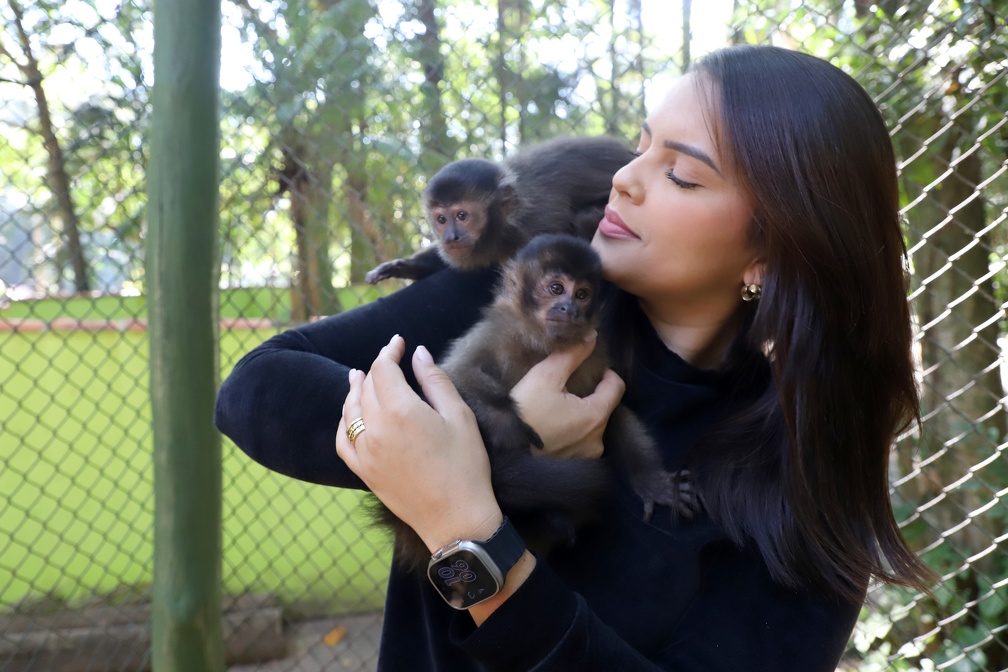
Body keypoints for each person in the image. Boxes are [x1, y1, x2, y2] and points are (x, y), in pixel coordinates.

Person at [215, 44, 934, 671]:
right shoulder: (525, 293)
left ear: (771, 254)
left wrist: (470, 522)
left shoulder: (804, 474)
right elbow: (255, 391)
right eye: (641, 145)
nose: (625, 178)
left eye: (682, 174)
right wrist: (496, 441)